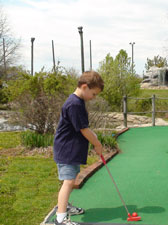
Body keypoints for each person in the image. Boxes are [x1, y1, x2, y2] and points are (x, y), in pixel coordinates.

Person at [53, 71, 104, 225]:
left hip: (71, 149)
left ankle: (65, 206)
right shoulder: (74, 104)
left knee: (71, 179)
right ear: (84, 87)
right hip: (66, 149)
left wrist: (94, 137)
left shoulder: (78, 101)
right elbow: (83, 129)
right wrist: (97, 143)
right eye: (93, 94)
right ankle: (60, 219)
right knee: (68, 181)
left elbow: (83, 126)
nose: (94, 98)